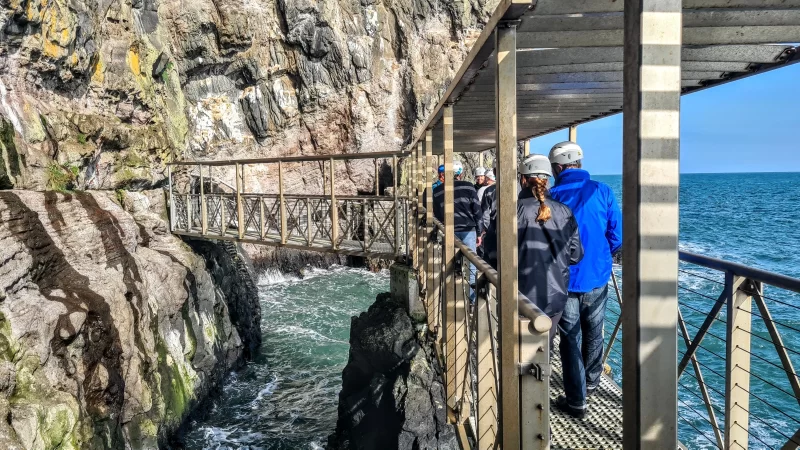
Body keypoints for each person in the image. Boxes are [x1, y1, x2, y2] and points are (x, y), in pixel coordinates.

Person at [548, 141, 622, 419]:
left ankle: (576, 398)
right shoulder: (602, 191)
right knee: (594, 328)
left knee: (569, 336)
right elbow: (617, 232)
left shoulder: (552, 195)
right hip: (597, 274)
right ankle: (592, 381)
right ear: (579, 163)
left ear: (557, 168)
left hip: (563, 278)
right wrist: (612, 251)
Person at [484, 154, 583, 343]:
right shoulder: (565, 211)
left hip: (516, 294)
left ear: (522, 179)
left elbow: (491, 253)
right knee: (544, 349)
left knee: (514, 350)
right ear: (548, 179)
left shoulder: (509, 211)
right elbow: (576, 255)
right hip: (554, 299)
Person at [423, 160, 483, 295]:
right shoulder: (469, 187)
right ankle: (471, 299)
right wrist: (479, 233)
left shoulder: (437, 191)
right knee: (472, 264)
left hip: (449, 232)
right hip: (468, 231)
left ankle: (452, 294)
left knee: (450, 262)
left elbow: (438, 214)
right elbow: (477, 211)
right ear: (460, 174)